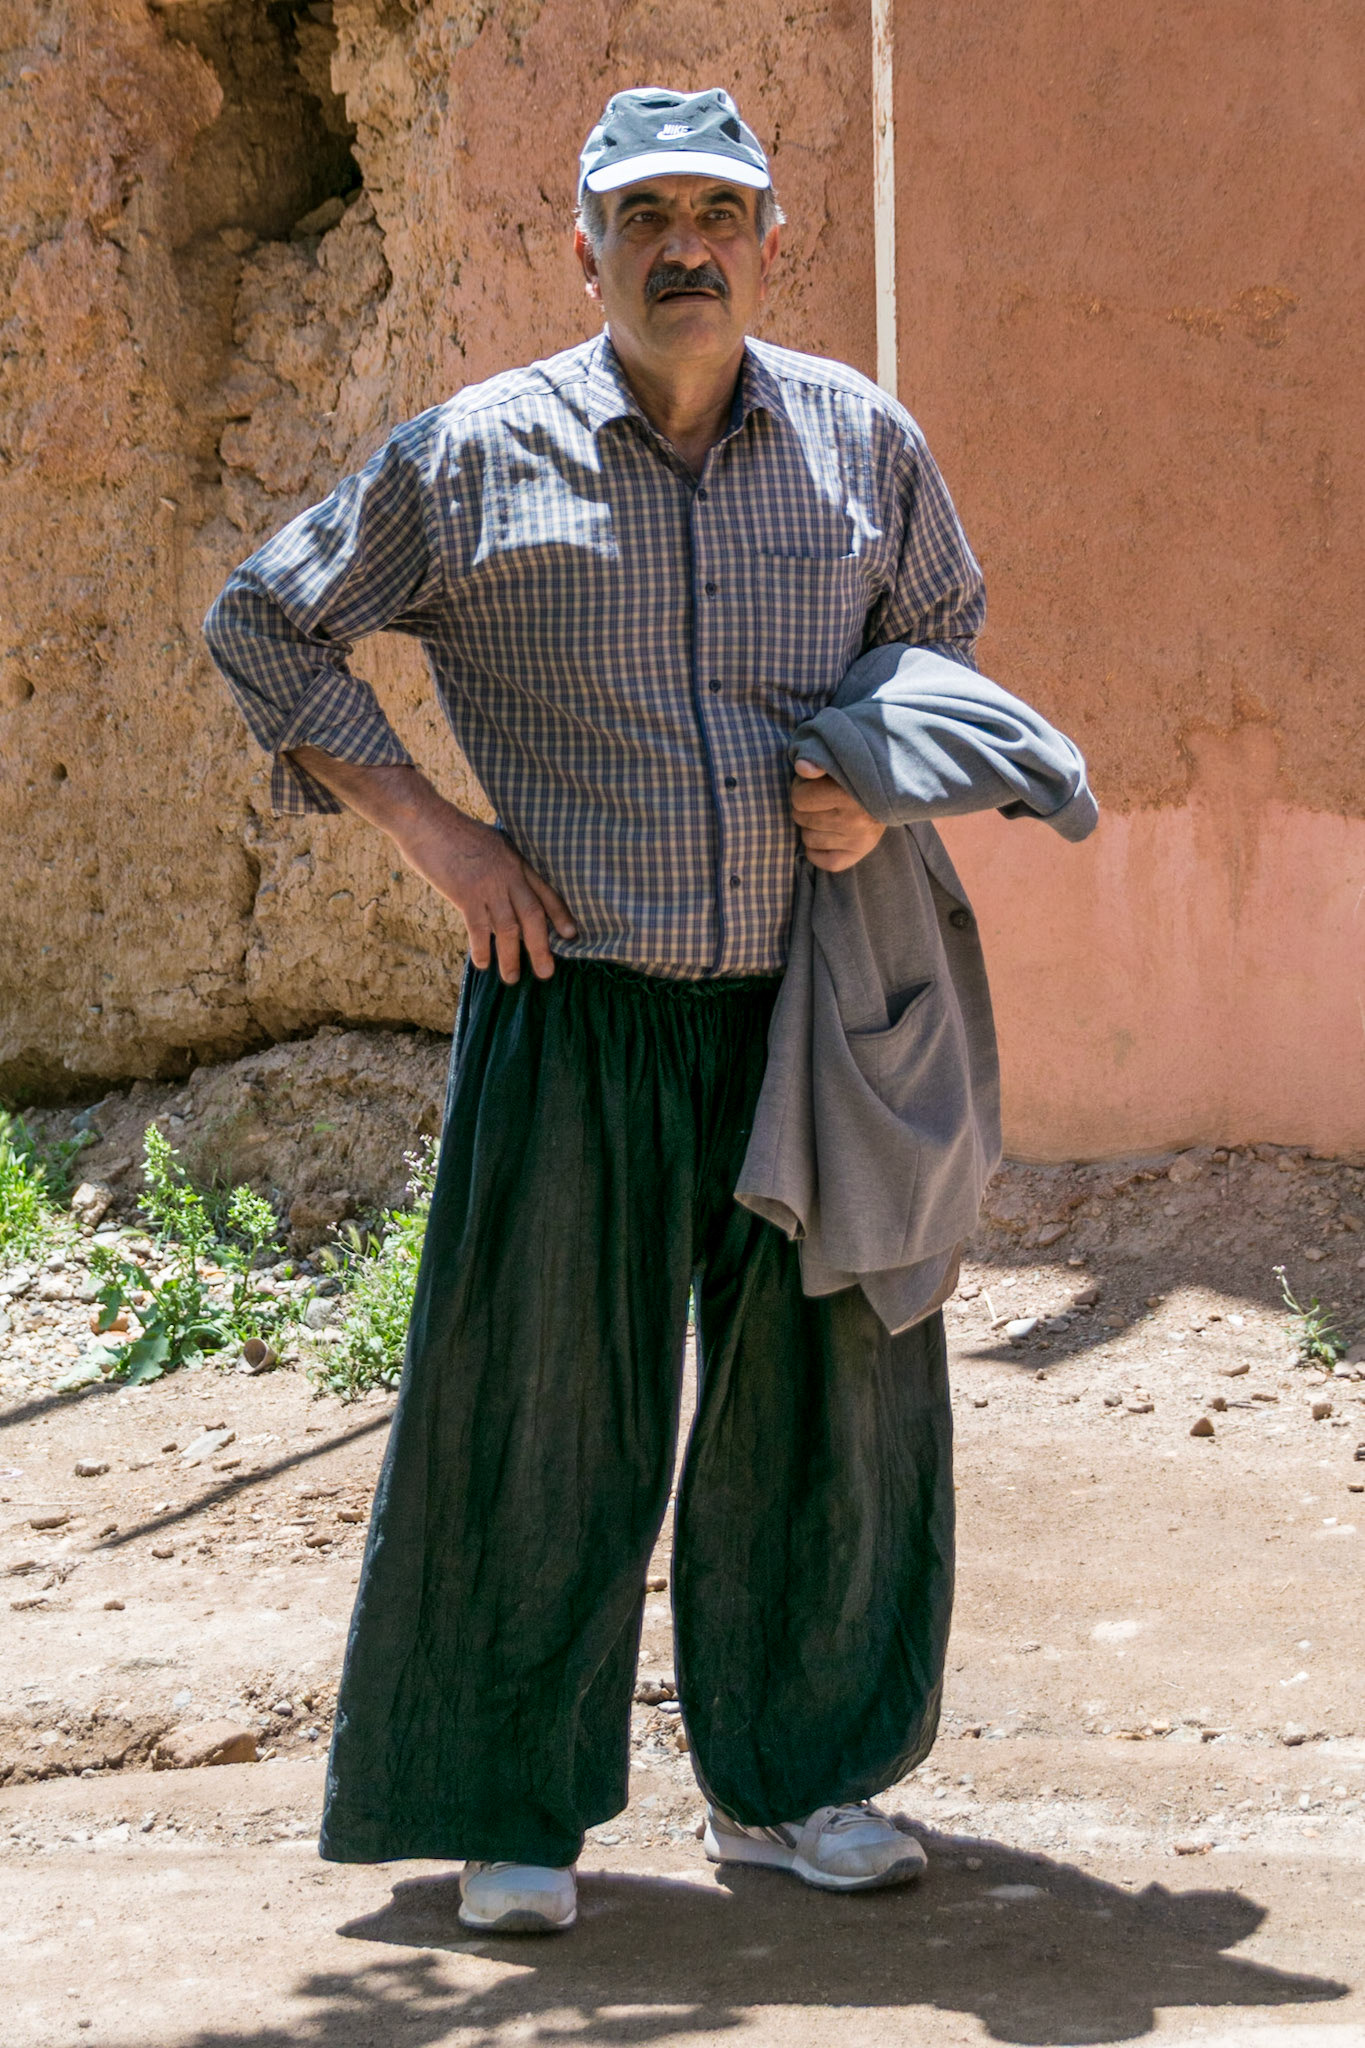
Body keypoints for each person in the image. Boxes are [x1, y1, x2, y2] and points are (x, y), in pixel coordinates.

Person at [205, 86, 995, 1935]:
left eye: (717, 209)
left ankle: (798, 1787)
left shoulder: (861, 445)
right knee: (537, 1403)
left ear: (769, 241)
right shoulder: (477, 457)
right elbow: (265, 618)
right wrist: (433, 834)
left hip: (815, 1001)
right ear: (585, 247)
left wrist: (880, 781)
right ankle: (512, 1812)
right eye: (642, 215)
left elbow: (942, 633)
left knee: (829, 1399)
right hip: (573, 1000)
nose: (682, 245)